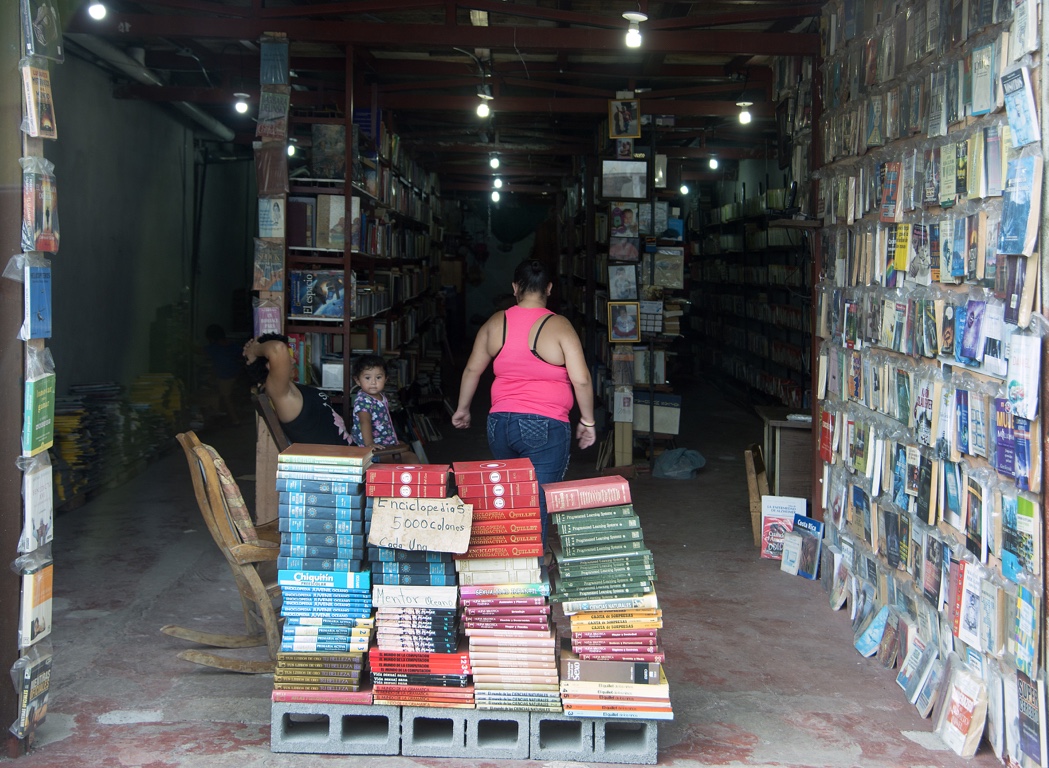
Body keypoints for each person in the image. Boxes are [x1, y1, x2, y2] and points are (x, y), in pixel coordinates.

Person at [452, 258, 597, 544]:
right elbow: (581, 379)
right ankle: (532, 570)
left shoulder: (497, 322)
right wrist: (587, 420)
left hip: (500, 425)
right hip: (545, 425)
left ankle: (511, 563)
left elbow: (472, 369)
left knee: (510, 496)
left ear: (515, 287)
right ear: (550, 288)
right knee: (538, 500)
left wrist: (463, 409)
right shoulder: (559, 326)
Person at [243, 333, 352, 445]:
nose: (293, 361)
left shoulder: (289, 388)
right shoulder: (280, 393)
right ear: (270, 365)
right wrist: (254, 350)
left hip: (352, 453)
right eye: (288, 357)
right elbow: (277, 348)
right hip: (338, 459)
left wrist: (254, 359)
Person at [351, 354, 415, 460]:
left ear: (385, 379)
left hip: (385, 443)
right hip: (373, 451)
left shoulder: (380, 396)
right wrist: (369, 444)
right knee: (411, 459)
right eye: (367, 378)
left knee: (407, 451)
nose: (373, 382)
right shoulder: (363, 400)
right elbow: (364, 421)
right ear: (357, 380)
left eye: (378, 377)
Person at [204, 324, 243, 426]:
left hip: (225, 376)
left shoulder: (215, 347)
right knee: (230, 397)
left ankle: (235, 420)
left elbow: (200, 351)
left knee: (227, 397)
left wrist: (187, 344)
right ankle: (231, 416)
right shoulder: (232, 345)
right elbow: (241, 354)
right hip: (235, 374)